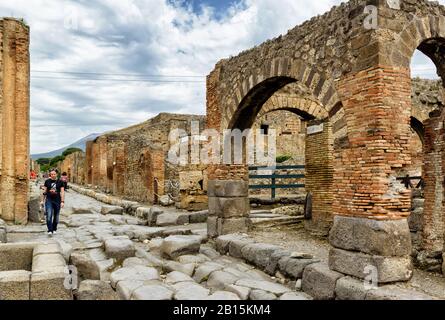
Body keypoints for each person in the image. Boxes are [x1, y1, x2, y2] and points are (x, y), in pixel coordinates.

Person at [41, 169, 65, 235]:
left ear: (56, 174)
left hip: (57, 200)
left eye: (54, 174)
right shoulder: (47, 181)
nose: (53, 175)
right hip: (49, 199)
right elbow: (44, 191)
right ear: (50, 175)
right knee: (49, 215)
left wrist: (62, 201)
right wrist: (42, 200)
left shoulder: (60, 182)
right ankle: (50, 230)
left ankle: (54, 228)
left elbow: (62, 192)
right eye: (51, 174)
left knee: (56, 216)